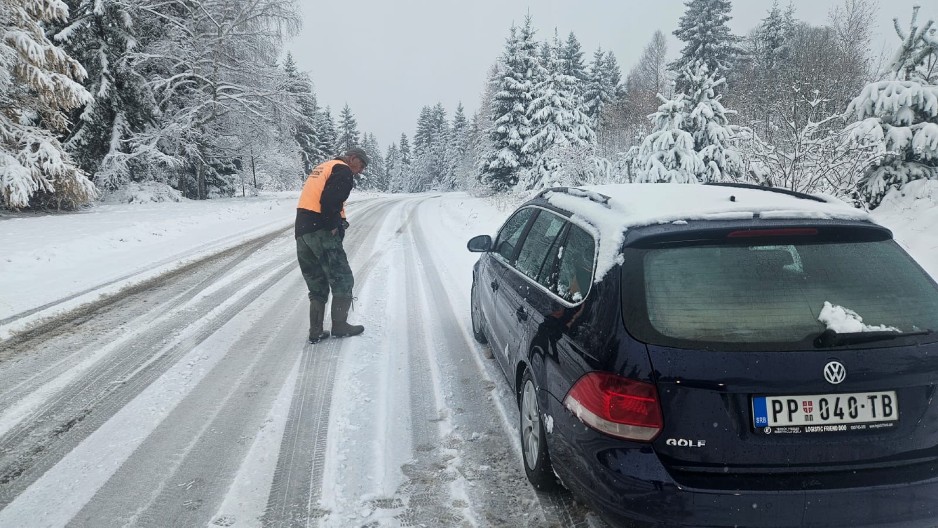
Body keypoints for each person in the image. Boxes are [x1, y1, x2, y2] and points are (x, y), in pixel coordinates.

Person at [295, 147, 368, 343]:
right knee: (342, 278)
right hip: (320, 229)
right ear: (352, 158)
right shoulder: (342, 169)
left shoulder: (324, 167)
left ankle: (316, 331)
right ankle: (340, 326)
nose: (360, 171)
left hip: (302, 231)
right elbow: (329, 200)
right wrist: (332, 226)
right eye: (361, 165)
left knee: (316, 282)